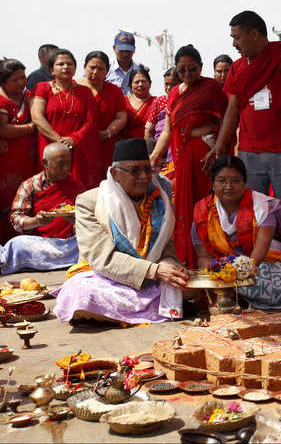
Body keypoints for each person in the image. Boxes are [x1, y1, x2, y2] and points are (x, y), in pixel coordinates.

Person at [210, 11, 281, 253]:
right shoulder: (238, 68)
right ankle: (257, 269)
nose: (234, 44)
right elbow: (232, 109)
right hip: (250, 154)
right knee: (253, 216)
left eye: (237, 37)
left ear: (254, 34)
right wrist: (220, 144)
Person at [52, 138, 188, 324]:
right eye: (135, 171)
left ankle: (118, 315)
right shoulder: (89, 202)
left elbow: (167, 249)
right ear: (115, 174)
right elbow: (103, 258)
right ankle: (146, 311)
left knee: (187, 284)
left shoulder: (160, 199)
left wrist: (171, 269)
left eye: (147, 169)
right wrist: (154, 270)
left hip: (152, 279)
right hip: (105, 278)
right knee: (79, 293)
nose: (144, 177)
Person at [193, 156, 281, 309]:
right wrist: (215, 276)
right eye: (221, 180)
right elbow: (203, 257)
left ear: (244, 182)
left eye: (235, 180)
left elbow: (258, 255)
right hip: (223, 268)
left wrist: (236, 276)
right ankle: (234, 294)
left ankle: (239, 295)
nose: (228, 186)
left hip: (263, 264)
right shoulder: (202, 212)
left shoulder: (262, 206)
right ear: (213, 183)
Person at [150, 45, 228, 268]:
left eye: (192, 69)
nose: (187, 74)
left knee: (207, 205)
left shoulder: (212, 88)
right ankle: (189, 260)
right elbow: (167, 130)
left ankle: (214, 259)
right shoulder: (174, 93)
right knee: (185, 208)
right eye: (182, 70)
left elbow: (226, 121)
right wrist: (155, 156)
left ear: (201, 67)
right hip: (182, 156)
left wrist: (218, 148)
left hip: (205, 154)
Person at [2, 143, 84, 274]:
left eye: (69, 163)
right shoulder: (30, 186)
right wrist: (36, 221)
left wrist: (75, 221)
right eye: (61, 164)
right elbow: (15, 219)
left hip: (68, 245)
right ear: (45, 163)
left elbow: (88, 220)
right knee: (17, 244)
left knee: (89, 241)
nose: (66, 168)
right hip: (40, 244)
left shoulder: (76, 186)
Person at [30, 49, 100, 189]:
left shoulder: (85, 92)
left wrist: (73, 139)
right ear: (51, 69)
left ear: (75, 68)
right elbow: (37, 117)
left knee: (77, 189)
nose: (66, 67)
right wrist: (59, 141)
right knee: (49, 187)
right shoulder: (42, 88)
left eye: (69, 64)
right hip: (49, 145)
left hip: (78, 147)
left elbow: (90, 122)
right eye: (60, 64)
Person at [0, 59, 38, 242]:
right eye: (15, 79)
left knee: (26, 196)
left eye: (23, 77)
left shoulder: (28, 95)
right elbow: (3, 129)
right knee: (6, 199)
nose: (22, 82)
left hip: (27, 158)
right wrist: (31, 127)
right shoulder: (1, 99)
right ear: (3, 81)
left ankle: (25, 238)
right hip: (6, 161)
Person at [78, 51, 127, 178]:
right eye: (92, 67)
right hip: (79, 145)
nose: (95, 72)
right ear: (84, 67)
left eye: (100, 69)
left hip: (106, 146)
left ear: (107, 71)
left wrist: (106, 133)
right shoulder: (74, 87)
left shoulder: (114, 91)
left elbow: (121, 117)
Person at [144, 67, 180, 141]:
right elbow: (149, 129)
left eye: (173, 85)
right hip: (159, 143)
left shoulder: (185, 101)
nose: (169, 88)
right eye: (166, 84)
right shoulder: (159, 101)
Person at [123, 66, 156, 138]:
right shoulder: (123, 101)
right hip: (126, 145)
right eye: (136, 82)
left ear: (150, 84)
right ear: (130, 85)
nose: (140, 84)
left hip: (149, 146)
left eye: (143, 81)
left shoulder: (157, 102)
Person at [106, 31, 141, 95]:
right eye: (121, 51)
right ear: (114, 48)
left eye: (128, 51)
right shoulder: (105, 68)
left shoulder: (140, 70)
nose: (125, 54)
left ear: (134, 50)